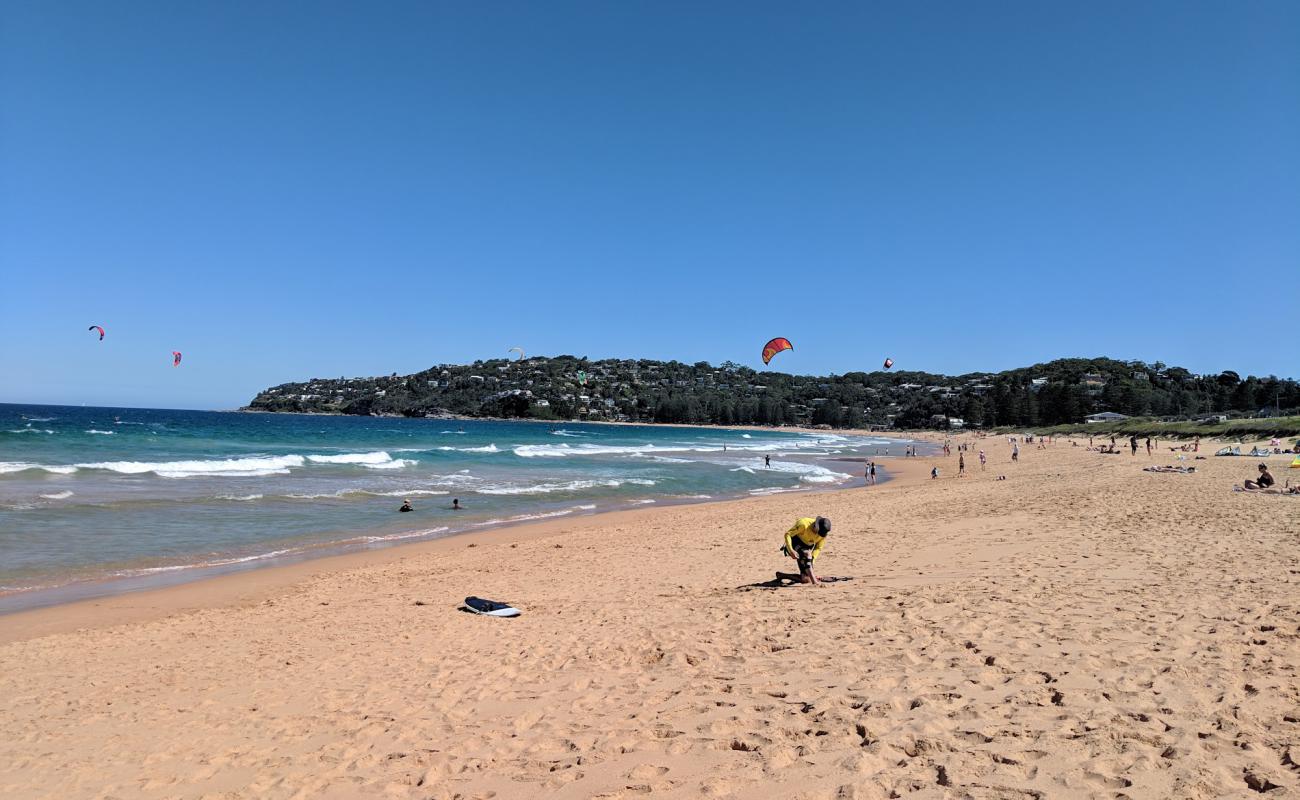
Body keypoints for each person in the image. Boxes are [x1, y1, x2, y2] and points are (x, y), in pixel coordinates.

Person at [779, 516, 831, 585]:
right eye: (818, 532)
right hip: (794, 542)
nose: (817, 535)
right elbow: (788, 534)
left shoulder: (823, 534)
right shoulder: (803, 524)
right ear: (816, 525)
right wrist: (791, 550)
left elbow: (818, 548)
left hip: (807, 547)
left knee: (806, 579)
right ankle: (815, 582)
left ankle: (782, 575)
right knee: (807, 554)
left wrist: (812, 560)